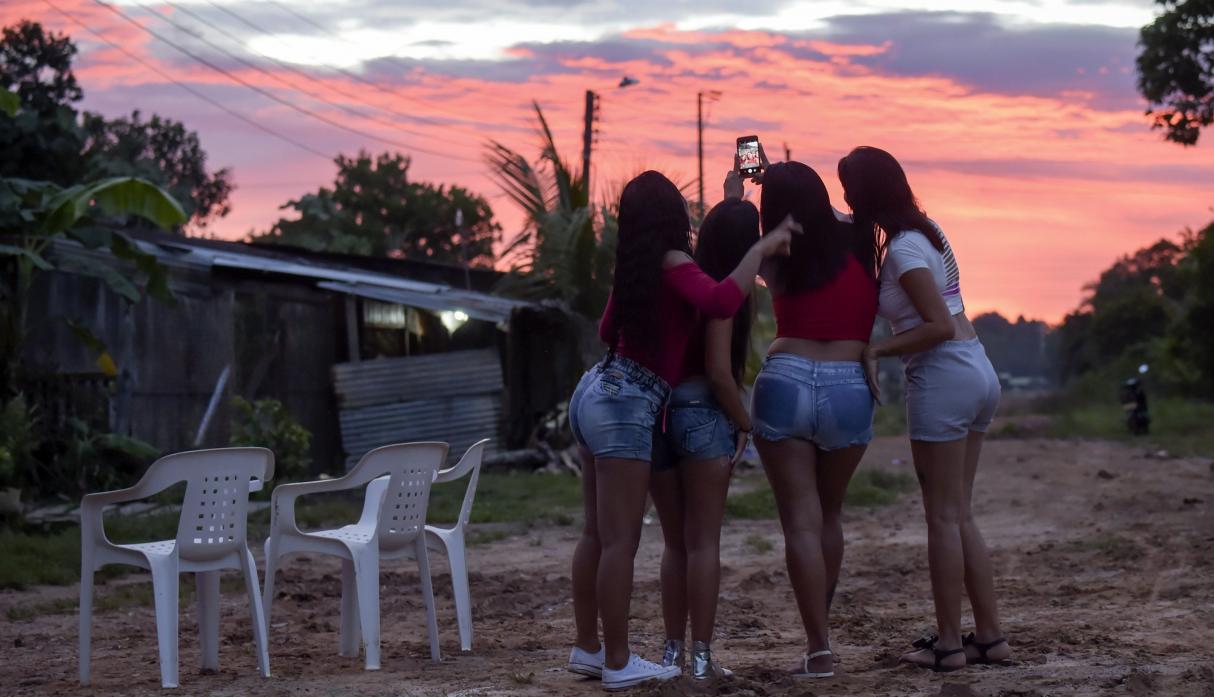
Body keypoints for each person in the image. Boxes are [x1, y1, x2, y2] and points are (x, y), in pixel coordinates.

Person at [565, 170, 798, 690]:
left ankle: (588, 647)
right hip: (629, 399)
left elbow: (607, 331)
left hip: (593, 390)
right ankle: (620, 662)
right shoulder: (674, 263)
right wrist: (759, 250)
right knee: (622, 542)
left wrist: (734, 200)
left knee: (596, 534)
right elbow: (718, 301)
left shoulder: (635, 268)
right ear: (674, 217)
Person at [839, 146, 1010, 672]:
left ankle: (949, 645)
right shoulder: (927, 231)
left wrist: (876, 349)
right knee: (959, 511)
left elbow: (934, 325)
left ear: (864, 193)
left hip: (943, 379)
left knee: (941, 516)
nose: (845, 198)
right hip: (977, 370)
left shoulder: (903, 253)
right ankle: (990, 638)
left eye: (848, 187)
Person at [748, 160, 879, 679]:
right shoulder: (861, 237)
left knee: (799, 522)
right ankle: (820, 632)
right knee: (829, 514)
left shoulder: (774, 249)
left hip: (785, 378)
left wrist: (742, 196)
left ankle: (818, 648)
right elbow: (839, 217)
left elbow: (729, 251)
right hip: (850, 382)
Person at [649, 170, 761, 680]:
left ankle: (671, 654)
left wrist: (732, 197)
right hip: (703, 417)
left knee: (675, 544)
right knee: (704, 544)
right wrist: (745, 422)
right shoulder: (725, 293)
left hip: (660, 413)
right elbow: (719, 371)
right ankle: (701, 658)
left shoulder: (688, 272)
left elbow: (724, 232)